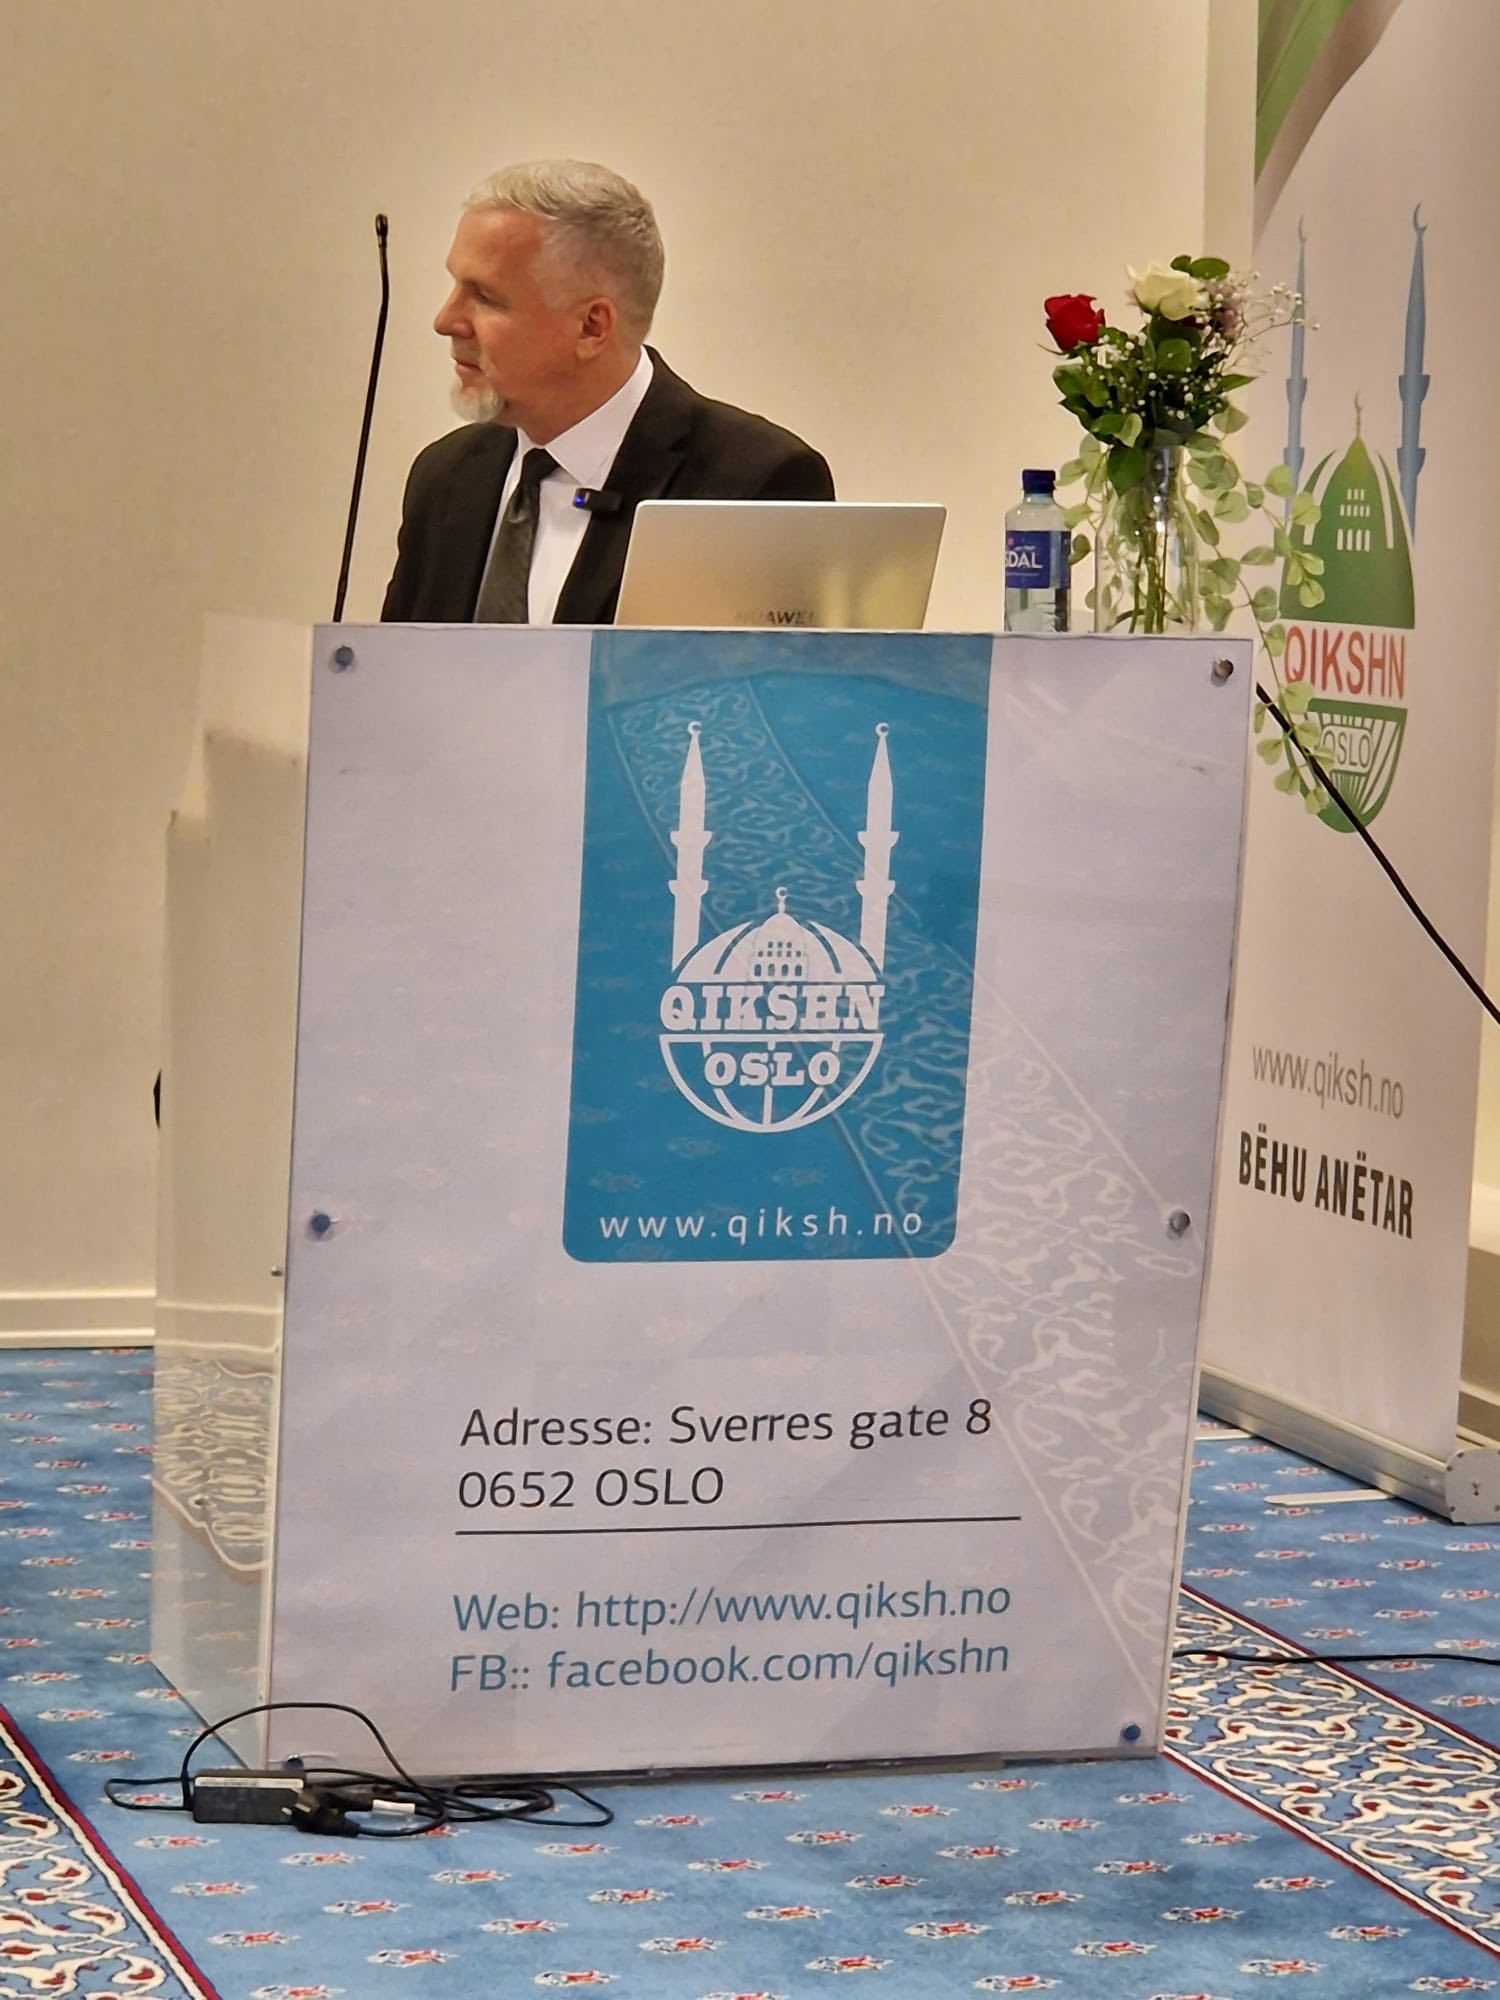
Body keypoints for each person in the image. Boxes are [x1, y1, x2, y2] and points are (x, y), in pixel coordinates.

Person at [381, 159, 835, 626]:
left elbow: (776, 675)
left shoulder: (754, 487)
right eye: (455, 285)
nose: (446, 320)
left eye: (485, 297)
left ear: (591, 327)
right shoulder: (445, 478)